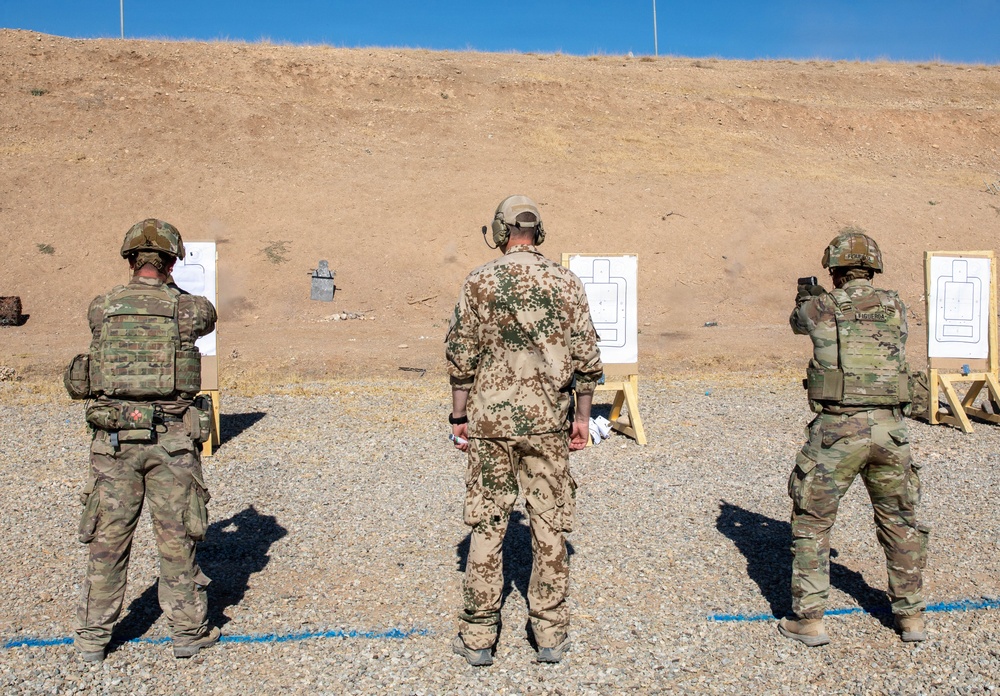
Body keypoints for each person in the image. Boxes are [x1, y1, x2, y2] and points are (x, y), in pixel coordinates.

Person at [445, 195, 604, 666]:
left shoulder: (479, 280)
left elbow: (461, 357)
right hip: (547, 424)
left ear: (500, 231)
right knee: (549, 523)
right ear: (539, 232)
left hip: (490, 424)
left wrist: (458, 417)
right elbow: (587, 358)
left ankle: (478, 637)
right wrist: (582, 417)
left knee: (487, 523)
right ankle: (549, 634)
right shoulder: (566, 281)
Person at [68, 219, 219, 661]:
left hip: (113, 442)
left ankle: (92, 639)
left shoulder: (102, 307)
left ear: (131, 260)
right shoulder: (190, 309)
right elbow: (206, 317)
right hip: (171, 442)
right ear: (172, 261)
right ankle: (187, 633)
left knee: (107, 542)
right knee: (177, 539)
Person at [779, 228, 929, 647]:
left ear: (835, 269)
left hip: (837, 431)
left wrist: (806, 297)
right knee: (900, 522)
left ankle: (809, 621)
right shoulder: (896, 305)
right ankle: (911, 617)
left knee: (812, 522)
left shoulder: (822, 306)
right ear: (873, 268)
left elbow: (798, 323)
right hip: (891, 430)